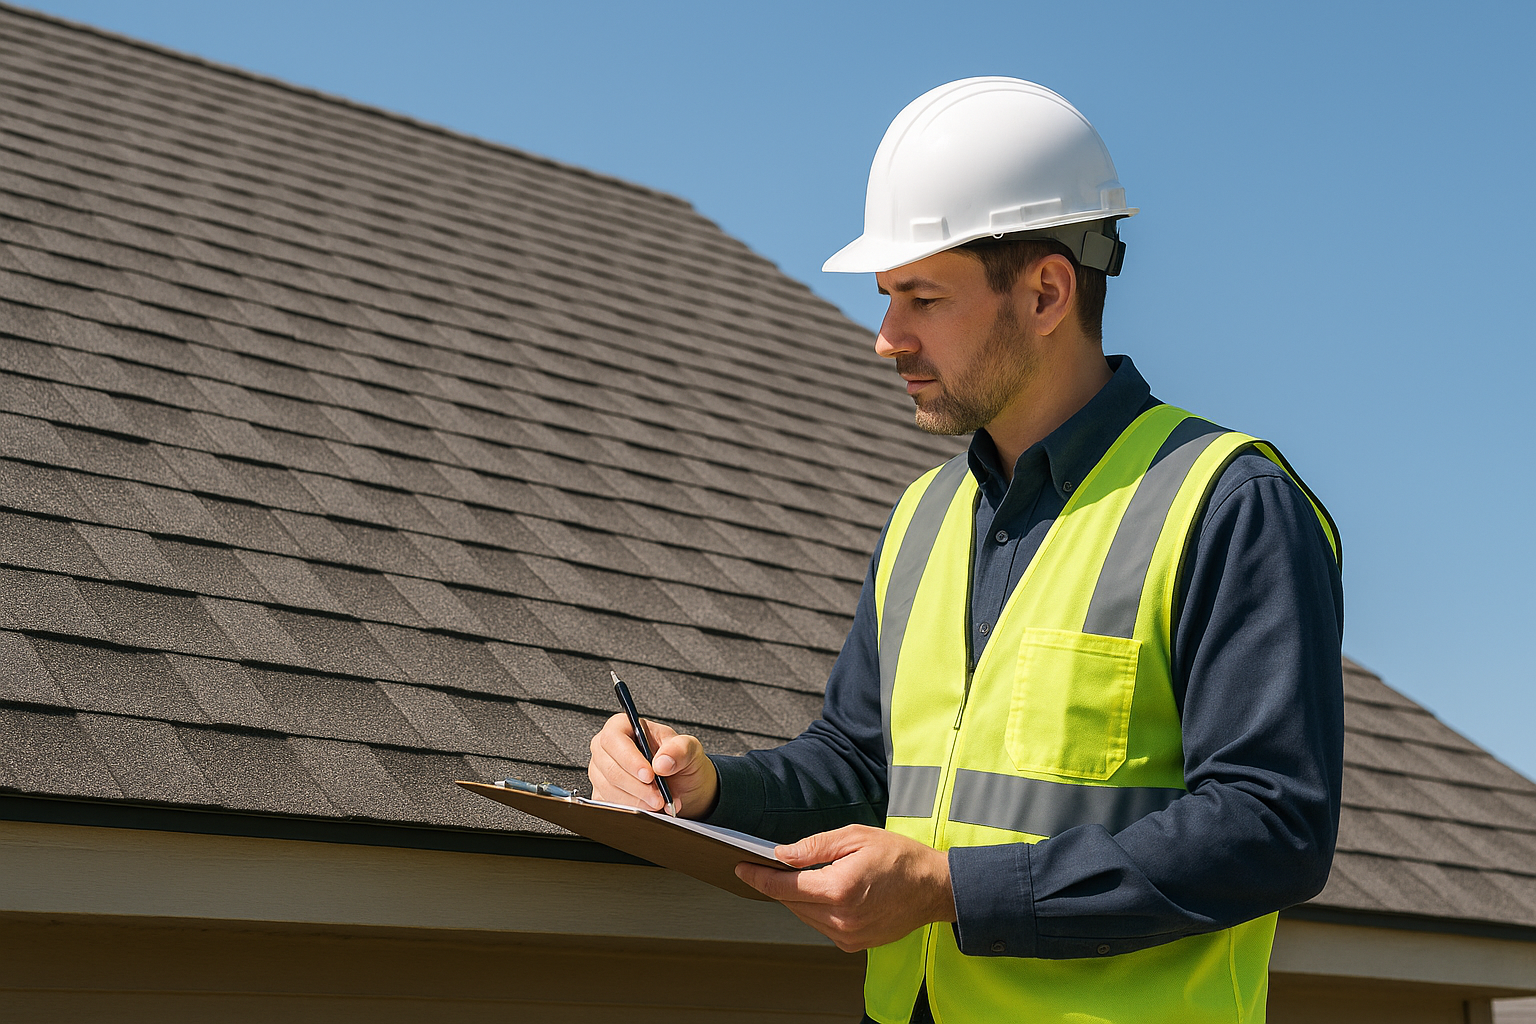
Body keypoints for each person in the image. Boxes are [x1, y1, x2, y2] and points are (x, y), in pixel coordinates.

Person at [587, 77, 1343, 1024]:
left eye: (923, 297)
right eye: (886, 298)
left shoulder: (1227, 503)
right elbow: (863, 766)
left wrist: (953, 889)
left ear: (1045, 292)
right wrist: (710, 787)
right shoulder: (922, 518)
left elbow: (1274, 827)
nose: (885, 339)